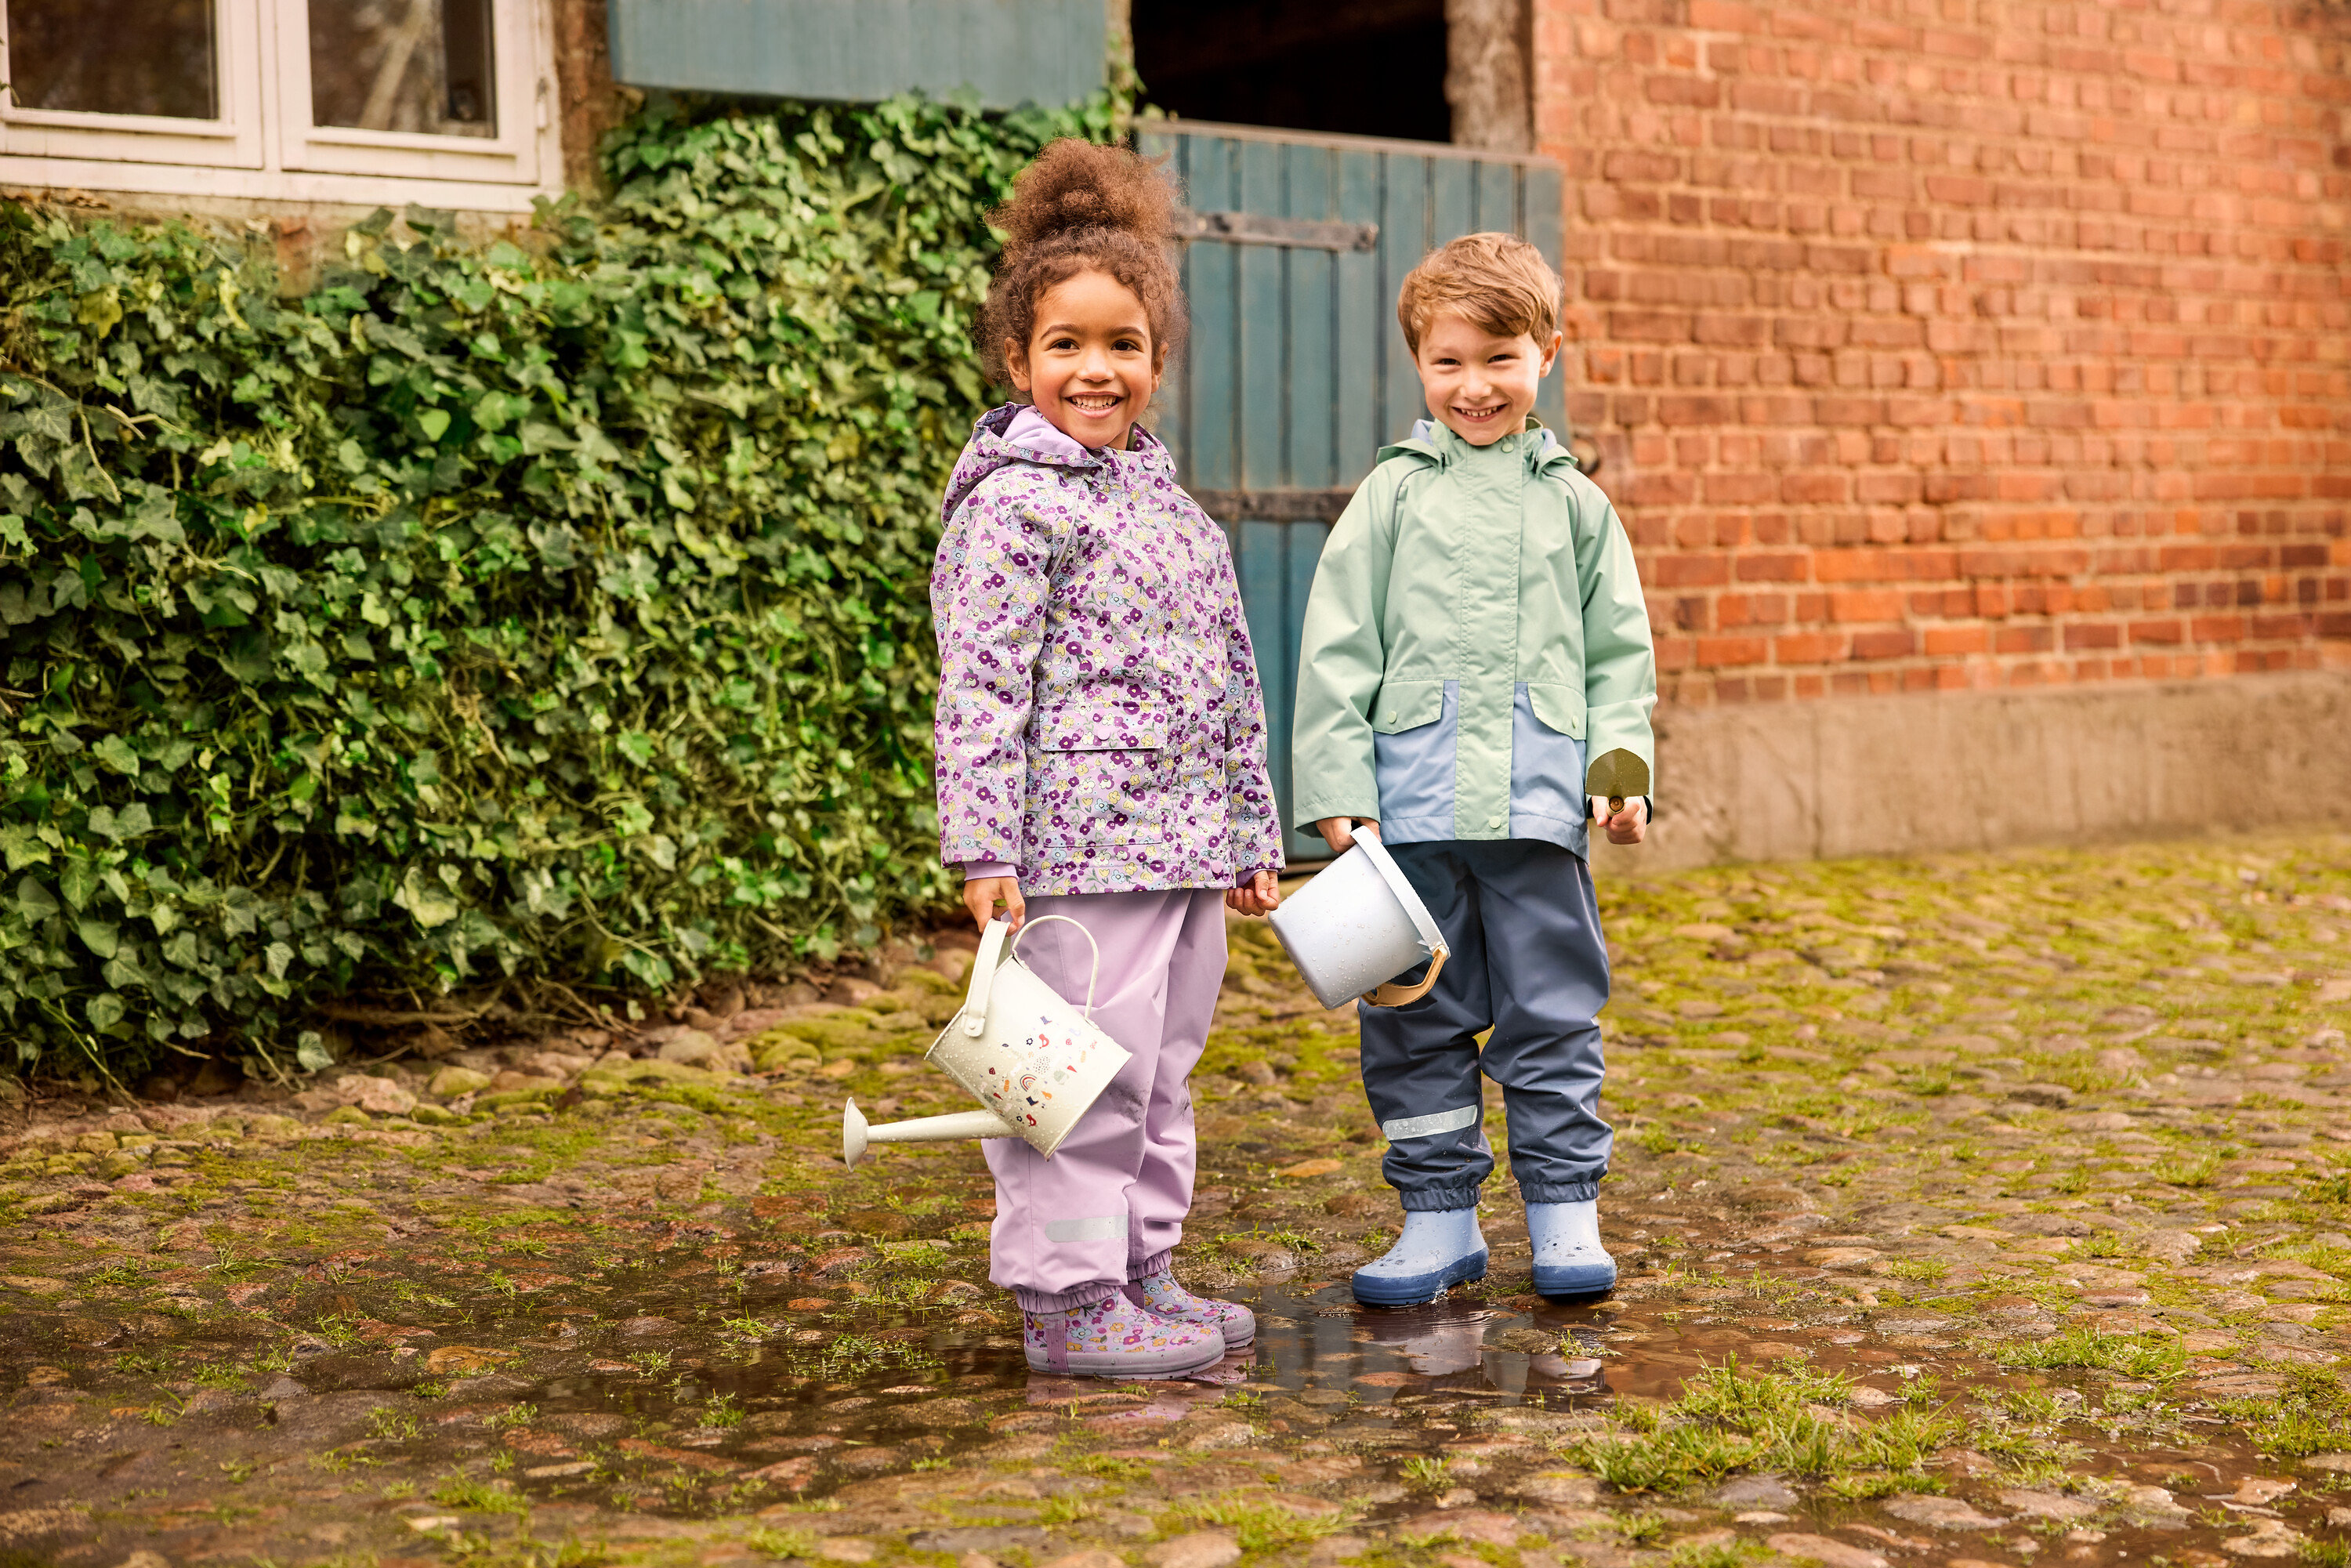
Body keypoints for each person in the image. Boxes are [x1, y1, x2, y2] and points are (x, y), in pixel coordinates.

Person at [930, 139, 1286, 1378]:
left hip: (1184, 852)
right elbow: (978, 687)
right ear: (1018, 360)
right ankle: (1065, 1291)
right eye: (1066, 345)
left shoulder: (1168, 507)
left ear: (1157, 358)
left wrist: (1250, 836)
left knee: (1160, 1075)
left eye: (1123, 343)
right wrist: (980, 842)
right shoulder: (1013, 507)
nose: (1097, 368)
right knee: (1071, 1080)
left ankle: (1141, 1265)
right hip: (1073, 858)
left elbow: (1230, 679)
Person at [1291, 232, 1656, 1307]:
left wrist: (1620, 772)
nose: (1474, 385)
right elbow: (1336, 649)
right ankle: (1437, 1218)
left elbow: (1618, 655)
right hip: (1408, 822)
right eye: (1448, 362)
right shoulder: (1391, 500)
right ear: (1418, 363)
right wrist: (1339, 793)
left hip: (1539, 811)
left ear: (1548, 351)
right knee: (1413, 1017)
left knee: (1553, 1009)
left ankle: (1564, 1210)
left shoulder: (1576, 508)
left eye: (1499, 358)